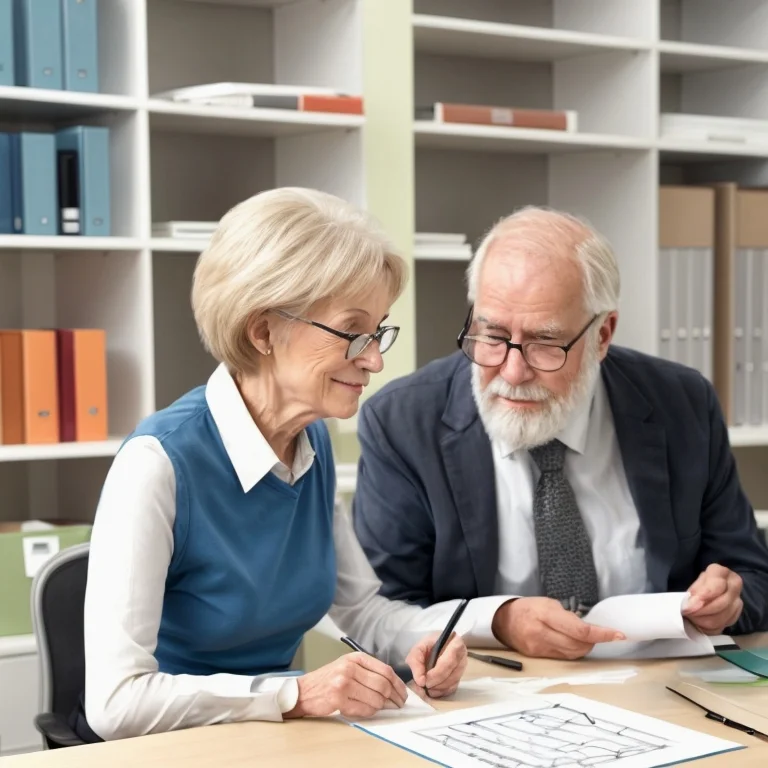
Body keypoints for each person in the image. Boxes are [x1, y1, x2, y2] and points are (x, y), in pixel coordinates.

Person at [80, 188, 469, 742]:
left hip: (274, 739)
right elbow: (116, 703)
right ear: (262, 330)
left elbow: (360, 612)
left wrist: (428, 640)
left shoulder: (313, 441)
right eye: (354, 331)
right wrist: (292, 694)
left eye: (379, 330)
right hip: (170, 748)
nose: (376, 359)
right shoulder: (157, 464)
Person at [353, 205, 768, 661]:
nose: (512, 371)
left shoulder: (681, 404)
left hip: (659, 688)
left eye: (544, 343)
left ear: (603, 335)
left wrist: (728, 602)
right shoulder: (403, 423)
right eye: (491, 336)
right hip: (488, 698)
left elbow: (753, 576)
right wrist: (500, 621)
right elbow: (382, 616)